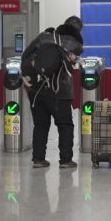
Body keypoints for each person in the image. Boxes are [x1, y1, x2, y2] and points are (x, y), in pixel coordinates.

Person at [22, 16, 84, 169]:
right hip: (60, 91)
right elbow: (72, 62)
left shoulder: (44, 36)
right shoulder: (74, 43)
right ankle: (65, 160)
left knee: (40, 125)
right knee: (65, 125)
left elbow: (25, 56)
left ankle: (38, 159)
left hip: (36, 90)